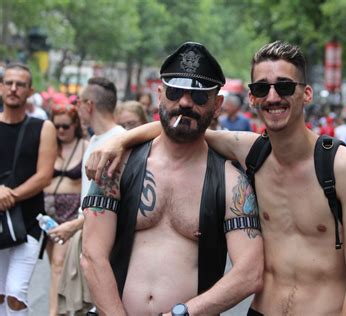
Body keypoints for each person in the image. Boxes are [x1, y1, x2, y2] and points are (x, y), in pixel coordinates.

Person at [86, 41, 346, 315]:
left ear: (306, 93)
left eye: (284, 86)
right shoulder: (252, 153)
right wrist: (119, 141)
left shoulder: (342, 167)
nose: (273, 97)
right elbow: (180, 126)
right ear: (252, 97)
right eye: (262, 88)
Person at [80, 42, 263, 315]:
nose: (186, 102)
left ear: (217, 105)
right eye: (176, 92)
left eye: (200, 96)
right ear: (159, 94)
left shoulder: (231, 183)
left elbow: (250, 272)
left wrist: (186, 313)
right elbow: (92, 256)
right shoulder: (118, 166)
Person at [53, 77, 125, 314]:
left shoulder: (119, 142)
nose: (77, 109)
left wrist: (72, 226)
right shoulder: (94, 140)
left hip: (105, 244)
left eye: (78, 103)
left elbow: (112, 204)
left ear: (89, 105)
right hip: (86, 236)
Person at [0, 63, 56, 316]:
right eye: (9, 83)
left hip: (29, 222)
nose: (13, 89)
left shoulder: (42, 127)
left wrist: (9, 195)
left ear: (30, 90)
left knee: (15, 292)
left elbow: (44, 176)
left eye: (20, 84)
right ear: (1, 88)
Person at [43, 102, 88, 316]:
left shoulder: (85, 145)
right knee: (55, 264)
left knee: (60, 264)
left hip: (70, 211)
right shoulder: (48, 144)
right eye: (57, 126)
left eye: (65, 126)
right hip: (46, 210)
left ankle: (55, 312)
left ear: (75, 125)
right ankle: (61, 307)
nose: (61, 130)